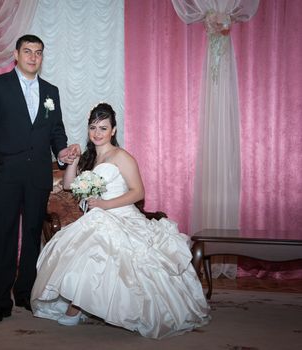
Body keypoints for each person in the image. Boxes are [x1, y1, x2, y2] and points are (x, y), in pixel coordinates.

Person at [30, 103, 211, 339]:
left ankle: (77, 308)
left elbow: (138, 192)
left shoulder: (122, 157)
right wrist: (73, 161)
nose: (97, 133)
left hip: (121, 215)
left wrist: (105, 205)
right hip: (97, 217)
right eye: (93, 127)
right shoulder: (91, 157)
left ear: (113, 131)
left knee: (101, 245)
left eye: (103, 128)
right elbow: (68, 185)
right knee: (84, 246)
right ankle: (83, 304)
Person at [0, 34, 80, 324]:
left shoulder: (51, 91)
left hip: (38, 176)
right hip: (5, 175)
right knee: (4, 238)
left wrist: (63, 152)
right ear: (16, 55)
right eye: (28, 51)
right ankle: (0, 302)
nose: (33, 57)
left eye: (38, 52)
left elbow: (56, 131)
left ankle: (24, 293)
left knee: (33, 236)